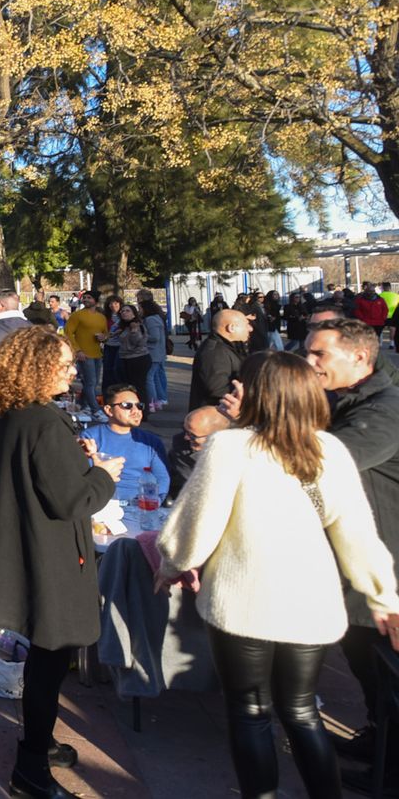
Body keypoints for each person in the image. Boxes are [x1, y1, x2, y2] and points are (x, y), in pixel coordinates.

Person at [158, 352, 399, 799]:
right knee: (302, 710)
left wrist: (174, 563)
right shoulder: (328, 450)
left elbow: (197, 521)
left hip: (243, 599)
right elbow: (357, 533)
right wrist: (385, 597)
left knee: (250, 713)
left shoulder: (232, 447)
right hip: (311, 601)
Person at [0, 325, 120, 798]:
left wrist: (77, 461)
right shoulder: (42, 420)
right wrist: (102, 474)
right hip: (50, 556)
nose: (73, 371)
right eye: (64, 365)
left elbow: (41, 476)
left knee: (45, 660)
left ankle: (40, 741)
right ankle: (31, 767)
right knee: (49, 662)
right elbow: (71, 499)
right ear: (36, 369)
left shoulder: (6, 413)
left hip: (22, 548)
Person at [297, 318, 399, 771]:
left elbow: (324, 465)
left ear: (359, 357)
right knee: (364, 661)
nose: (309, 362)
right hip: (360, 559)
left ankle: (391, 762)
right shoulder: (350, 399)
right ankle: (380, 736)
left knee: (381, 666)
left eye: (320, 354)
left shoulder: (383, 411)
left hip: (382, 563)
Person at [78, 383, 169, 505]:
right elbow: (83, 477)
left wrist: (152, 503)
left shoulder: (151, 442)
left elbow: (162, 478)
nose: (135, 411)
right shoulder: (90, 438)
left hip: (141, 507)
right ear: (109, 410)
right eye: (127, 406)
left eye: (139, 406)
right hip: (101, 505)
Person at [190, 308, 251, 412]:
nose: (250, 329)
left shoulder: (227, 347)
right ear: (231, 328)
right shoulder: (214, 352)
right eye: (246, 325)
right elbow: (218, 390)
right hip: (216, 419)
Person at [63, 293, 108, 404]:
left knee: (94, 383)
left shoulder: (101, 317)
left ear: (96, 301)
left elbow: (106, 334)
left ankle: (82, 406)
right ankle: (94, 409)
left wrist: (104, 338)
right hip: (84, 354)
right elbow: (68, 333)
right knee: (90, 383)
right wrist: (77, 350)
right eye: (84, 298)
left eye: (89, 297)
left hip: (97, 354)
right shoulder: (77, 315)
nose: (86, 299)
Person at [138, 294, 170, 411]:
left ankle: (152, 402)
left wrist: (142, 336)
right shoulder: (156, 318)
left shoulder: (151, 320)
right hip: (157, 353)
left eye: (140, 308)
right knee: (155, 377)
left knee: (149, 378)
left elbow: (154, 337)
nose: (139, 311)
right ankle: (158, 400)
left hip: (153, 353)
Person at [113, 304, 150, 392]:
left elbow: (140, 343)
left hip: (138, 358)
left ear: (134, 314)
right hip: (125, 358)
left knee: (138, 386)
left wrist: (134, 331)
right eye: (122, 311)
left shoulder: (137, 325)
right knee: (127, 386)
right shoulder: (124, 326)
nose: (124, 313)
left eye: (127, 311)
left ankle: (142, 404)